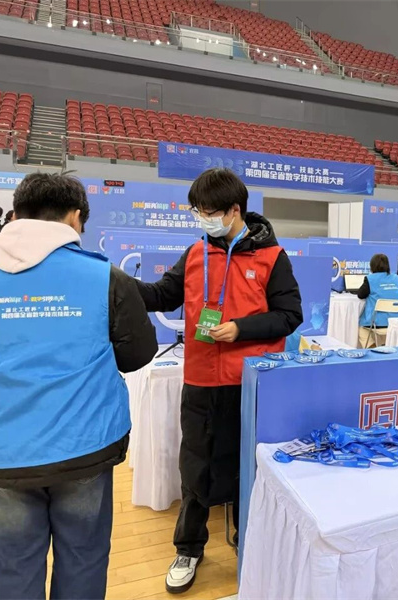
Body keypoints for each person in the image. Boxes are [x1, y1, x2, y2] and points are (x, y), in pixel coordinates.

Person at [0, 173, 157, 599]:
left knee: (12, 569)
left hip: (1, 451)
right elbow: (137, 354)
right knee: (83, 562)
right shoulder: (106, 278)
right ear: (75, 217)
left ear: (17, 214)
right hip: (83, 448)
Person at [133, 168, 303, 594]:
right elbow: (162, 294)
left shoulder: (272, 257)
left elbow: (289, 316)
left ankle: (250, 541)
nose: (203, 219)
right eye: (198, 212)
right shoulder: (195, 253)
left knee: (250, 468)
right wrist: (119, 285)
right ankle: (188, 548)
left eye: (209, 212)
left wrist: (241, 329)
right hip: (201, 381)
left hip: (251, 384)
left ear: (234, 210)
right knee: (195, 468)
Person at [358, 253, 398, 347]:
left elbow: (360, 295)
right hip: (395, 322)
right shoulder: (395, 277)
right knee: (385, 333)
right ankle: (384, 346)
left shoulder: (370, 279)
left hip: (376, 323)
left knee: (362, 330)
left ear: (372, 266)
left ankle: (373, 349)